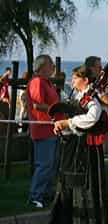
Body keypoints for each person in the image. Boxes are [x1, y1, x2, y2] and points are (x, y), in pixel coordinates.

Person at [48, 65, 108, 224]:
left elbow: (92, 117)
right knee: (67, 188)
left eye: (75, 78)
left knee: (83, 190)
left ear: (85, 80)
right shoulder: (76, 95)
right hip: (72, 148)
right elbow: (70, 118)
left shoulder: (93, 98)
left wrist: (68, 123)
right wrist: (62, 128)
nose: (72, 81)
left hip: (85, 151)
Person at [26, 55, 62, 208]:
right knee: (44, 164)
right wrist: (56, 109)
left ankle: (46, 193)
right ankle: (35, 196)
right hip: (43, 129)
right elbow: (37, 105)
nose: (53, 67)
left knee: (51, 164)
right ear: (42, 67)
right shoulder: (37, 82)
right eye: (50, 64)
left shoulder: (46, 82)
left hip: (51, 129)